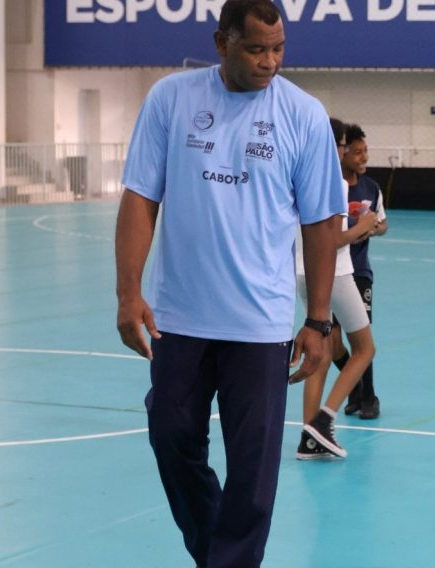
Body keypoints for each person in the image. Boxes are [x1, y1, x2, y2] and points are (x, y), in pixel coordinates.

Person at [114, 1, 345, 565]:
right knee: (170, 438)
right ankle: (218, 554)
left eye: (279, 49)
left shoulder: (304, 115)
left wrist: (317, 320)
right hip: (179, 318)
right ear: (222, 43)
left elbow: (321, 222)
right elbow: (141, 198)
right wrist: (128, 291)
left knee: (254, 467)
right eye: (255, 49)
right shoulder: (172, 99)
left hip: (259, 325)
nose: (270, 62)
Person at [293, 117, 378, 459]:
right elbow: (331, 243)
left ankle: (309, 439)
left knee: (322, 354)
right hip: (335, 275)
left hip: (300, 272)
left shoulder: (298, 176)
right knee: (364, 349)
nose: (344, 150)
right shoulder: (335, 183)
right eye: (343, 144)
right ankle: (325, 420)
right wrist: (363, 226)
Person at [334, 123, 388, 419]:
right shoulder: (333, 187)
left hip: (359, 273)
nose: (363, 157)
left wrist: (373, 229)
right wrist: (356, 229)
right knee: (332, 344)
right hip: (333, 273)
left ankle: (370, 398)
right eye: (356, 152)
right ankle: (353, 387)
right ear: (342, 154)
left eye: (365, 151)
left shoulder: (372, 188)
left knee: (360, 337)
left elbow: (382, 223)